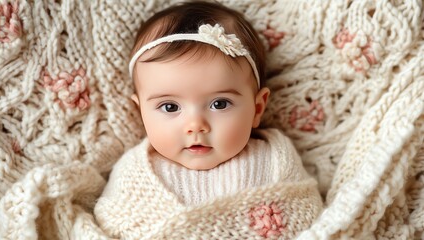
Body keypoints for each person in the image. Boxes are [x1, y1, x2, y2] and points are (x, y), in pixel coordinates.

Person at [94, 1, 322, 239]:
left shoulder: (275, 160)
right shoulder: (136, 173)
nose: (196, 125)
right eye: (170, 107)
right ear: (141, 112)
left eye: (219, 104)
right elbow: (114, 223)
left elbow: (309, 218)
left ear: (257, 108)